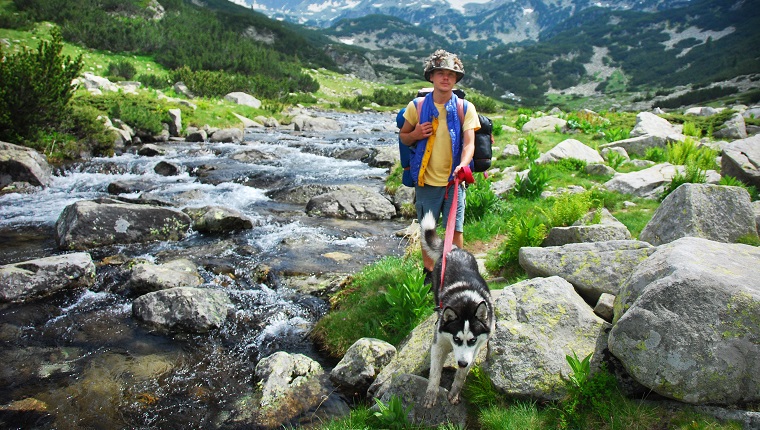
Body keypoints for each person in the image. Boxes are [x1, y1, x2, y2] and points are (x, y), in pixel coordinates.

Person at [398, 49, 481, 283]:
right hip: (426, 181)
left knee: (455, 230)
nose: (446, 78)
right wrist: (414, 133)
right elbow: (404, 137)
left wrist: (463, 165)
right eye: (441, 73)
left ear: (456, 79)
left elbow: (469, 144)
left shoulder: (466, 108)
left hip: (455, 181)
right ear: (431, 77)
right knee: (428, 230)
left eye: (451, 74)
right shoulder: (417, 107)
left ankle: (456, 273)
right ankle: (429, 275)